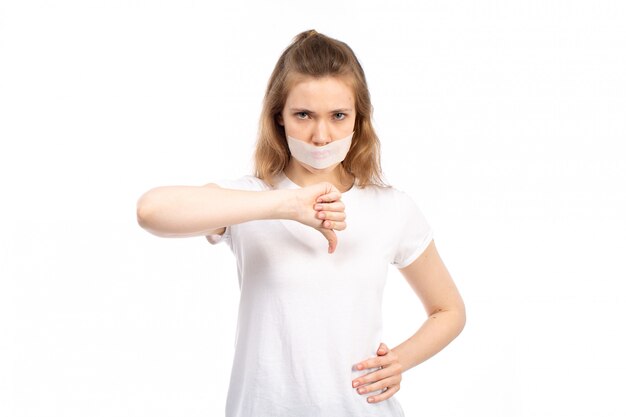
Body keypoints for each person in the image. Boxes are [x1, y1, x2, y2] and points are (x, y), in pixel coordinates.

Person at [136, 29, 466, 417]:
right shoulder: (250, 199)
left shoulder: (391, 207)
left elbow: (449, 310)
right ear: (279, 117)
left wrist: (399, 360)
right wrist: (286, 204)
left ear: (359, 119)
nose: (321, 135)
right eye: (303, 115)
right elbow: (151, 211)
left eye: (338, 116)